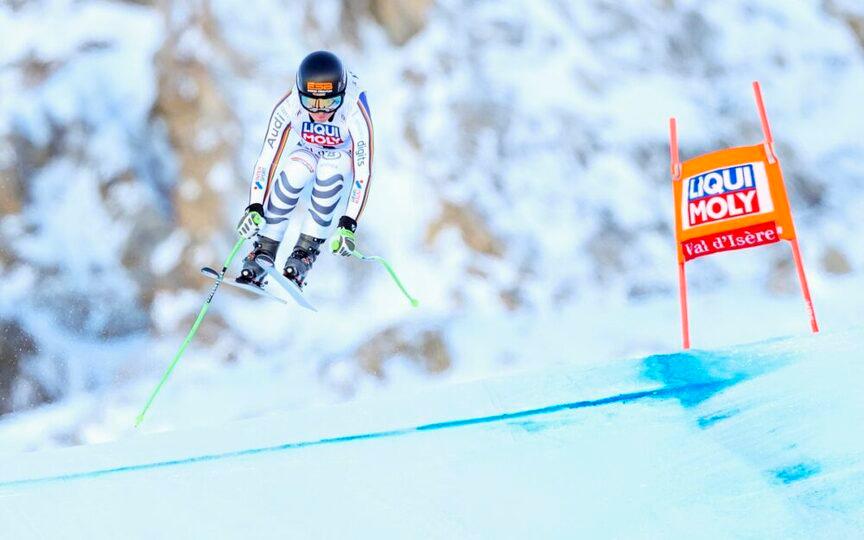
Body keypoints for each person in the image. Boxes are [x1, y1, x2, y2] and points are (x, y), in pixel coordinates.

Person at [235, 50, 374, 288]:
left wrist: (348, 224)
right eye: (311, 102)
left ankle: (303, 254)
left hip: (341, 154)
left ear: (341, 95)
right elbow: (267, 158)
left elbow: (364, 172)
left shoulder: (353, 108)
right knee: (294, 170)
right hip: (307, 149)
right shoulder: (291, 104)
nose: (320, 112)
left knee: (330, 170)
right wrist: (254, 206)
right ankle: (263, 250)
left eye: (330, 102)